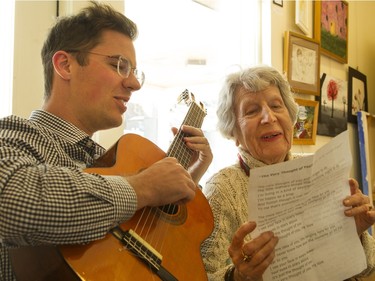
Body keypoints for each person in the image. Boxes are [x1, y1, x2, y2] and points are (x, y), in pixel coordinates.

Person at [0, 2, 213, 280]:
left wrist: (183, 181)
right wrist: (143, 187)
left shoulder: (116, 160)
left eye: (135, 71)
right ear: (65, 65)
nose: (134, 84)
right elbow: (12, 202)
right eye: (119, 65)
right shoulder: (16, 134)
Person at [200, 65, 375, 281]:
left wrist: (354, 234)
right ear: (233, 131)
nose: (269, 117)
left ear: (291, 119)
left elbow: (367, 268)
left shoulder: (319, 170)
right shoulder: (221, 189)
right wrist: (236, 276)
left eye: (276, 105)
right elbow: (198, 274)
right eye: (252, 111)